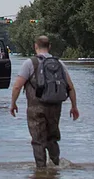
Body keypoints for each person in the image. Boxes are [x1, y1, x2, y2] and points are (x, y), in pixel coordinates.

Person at [9, 35, 79, 168]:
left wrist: (13, 103)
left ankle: (41, 171)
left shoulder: (30, 63)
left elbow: (17, 86)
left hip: (36, 108)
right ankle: (55, 167)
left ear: (35, 46)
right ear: (49, 47)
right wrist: (74, 106)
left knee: (38, 140)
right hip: (55, 107)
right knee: (52, 138)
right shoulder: (59, 63)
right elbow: (70, 87)